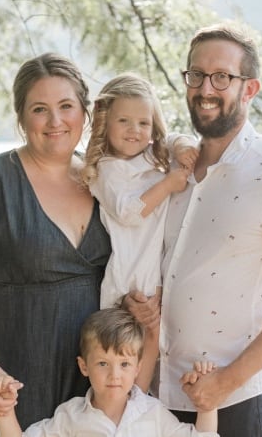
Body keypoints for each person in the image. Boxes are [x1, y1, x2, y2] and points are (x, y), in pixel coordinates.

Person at [124, 23, 262, 436]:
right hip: (154, 400)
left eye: (222, 77)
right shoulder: (171, 173)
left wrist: (225, 383)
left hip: (233, 402)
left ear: (249, 89)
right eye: (195, 75)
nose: (205, 89)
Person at [0, 52, 111, 436]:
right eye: (39, 109)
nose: (55, 121)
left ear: (85, 111)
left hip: (99, 382)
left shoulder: (108, 180)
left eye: (66, 106)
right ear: (21, 117)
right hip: (14, 378)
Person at [80, 72, 196, 389]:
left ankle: (139, 411)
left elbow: (170, 139)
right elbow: (129, 212)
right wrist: (169, 183)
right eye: (124, 122)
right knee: (121, 360)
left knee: (152, 353)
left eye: (143, 123)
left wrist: (183, 143)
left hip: (153, 272)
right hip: (127, 278)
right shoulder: (106, 168)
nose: (135, 131)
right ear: (106, 123)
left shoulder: (151, 155)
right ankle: (125, 410)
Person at [0, 308, 219, 437]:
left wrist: (207, 405)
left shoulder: (153, 413)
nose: (114, 375)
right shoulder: (71, 417)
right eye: (102, 364)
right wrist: (4, 411)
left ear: (138, 367)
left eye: (124, 364)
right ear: (83, 366)